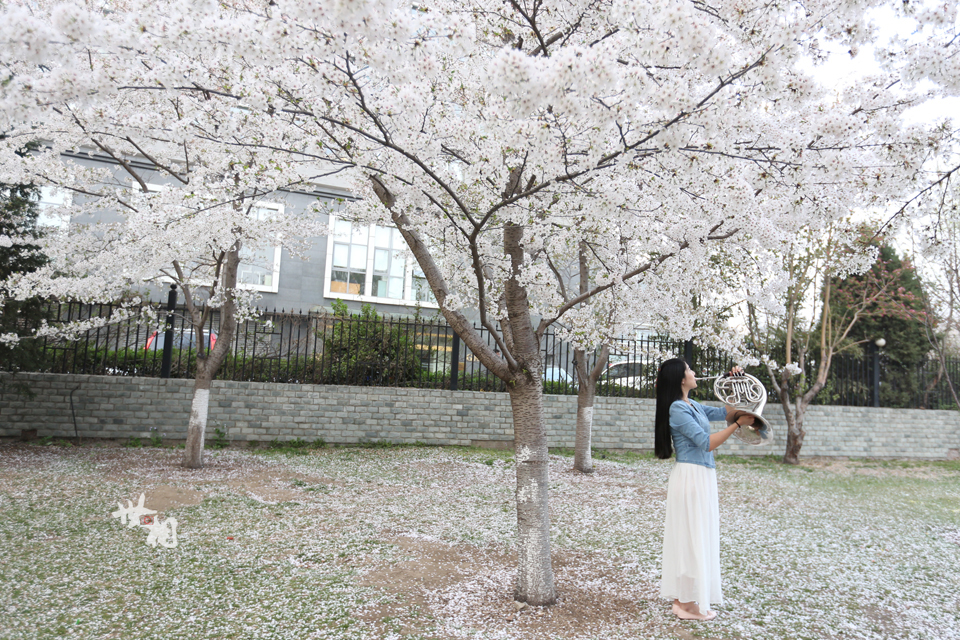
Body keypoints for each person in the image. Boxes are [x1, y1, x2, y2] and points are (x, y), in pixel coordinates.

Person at [654, 358, 754, 621]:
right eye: (689, 369)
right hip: (690, 477)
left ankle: (683, 603)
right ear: (680, 378)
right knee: (691, 539)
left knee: (694, 537)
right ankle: (684, 604)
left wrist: (735, 383)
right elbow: (706, 443)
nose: (694, 372)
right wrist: (737, 425)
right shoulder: (678, 409)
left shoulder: (692, 404)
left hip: (701, 476)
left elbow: (726, 412)